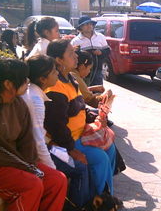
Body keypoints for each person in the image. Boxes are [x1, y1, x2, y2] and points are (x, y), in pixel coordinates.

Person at [0, 58, 67, 211]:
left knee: (57, 180)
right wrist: (25, 168)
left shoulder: (18, 103)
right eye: (24, 79)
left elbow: (27, 141)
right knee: (30, 186)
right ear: (8, 84)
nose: (28, 82)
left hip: (17, 163)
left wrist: (30, 164)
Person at [44, 39, 117, 200]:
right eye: (70, 53)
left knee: (111, 148)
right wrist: (72, 149)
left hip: (81, 133)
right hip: (67, 141)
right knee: (100, 159)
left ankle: (105, 193)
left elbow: (79, 107)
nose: (76, 56)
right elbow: (57, 126)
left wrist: (96, 116)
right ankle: (96, 201)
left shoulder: (70, 78)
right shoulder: (55, 87)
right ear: (58, 60)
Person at [22, 55, 90, 209]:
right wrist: (52, 169)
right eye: (53, 72)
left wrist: (52, 144)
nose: (57, 74)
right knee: (79, 168)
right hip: (33, 154)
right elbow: (38, 142)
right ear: (43, 79)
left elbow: (38, 134)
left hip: (45, 146)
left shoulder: (33, 92)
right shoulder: (36, 100)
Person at [71, 16, 111, 86]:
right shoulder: (75, 41)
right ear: (81, 28)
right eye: (86, 24)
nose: (89, 26)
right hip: (82, 72)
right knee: (84, 92)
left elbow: (107, 51)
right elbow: (73, 56)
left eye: (90, 24)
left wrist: (101, 52)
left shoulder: (100, 37)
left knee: (98, 91)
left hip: (97, 70)